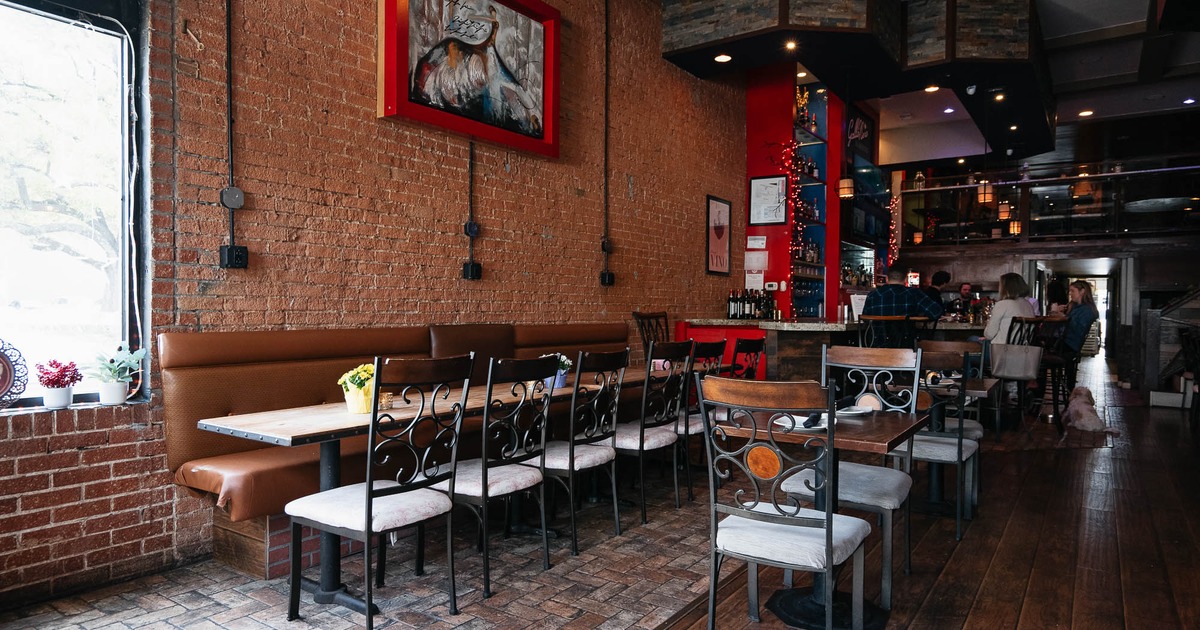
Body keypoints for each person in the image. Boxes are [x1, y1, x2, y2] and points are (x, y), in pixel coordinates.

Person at [864, 267, 944, 319]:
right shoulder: (914, 293)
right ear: (906, 279)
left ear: (887, 279)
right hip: (906, 344)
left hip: (876, 343)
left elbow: (865, 318)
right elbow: (936, 312)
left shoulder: (873, 295)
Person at [984, 273, 1036, 345]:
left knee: (972, 339)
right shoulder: (1028, 305)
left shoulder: (1002, 305)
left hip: (1002, 349)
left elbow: (989, 335)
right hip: (1023, 348)